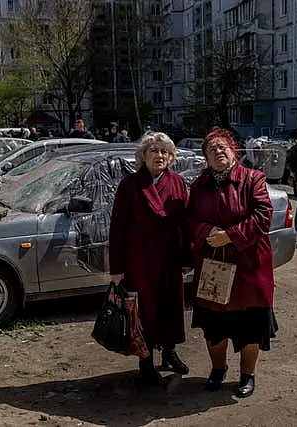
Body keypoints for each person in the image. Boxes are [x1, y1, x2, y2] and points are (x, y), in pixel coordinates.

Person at [187, 128, 277, 398]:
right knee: (214, 327)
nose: (218, 151)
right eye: (211, 149)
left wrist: (231, 236)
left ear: (233, 151)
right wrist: (208, 234)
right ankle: (218, 369)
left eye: (223, 146)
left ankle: (247, 375)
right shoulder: (199, 185)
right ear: (205, 157)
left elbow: (263, 215)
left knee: (250, 328)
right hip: (213, 268)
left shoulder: (253, 179)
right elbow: (190, 219)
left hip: (249, 269)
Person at [109, 131, 191, 385]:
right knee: (144, 309)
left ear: (171, 157)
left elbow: (186, 222)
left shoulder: (177, 182)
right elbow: (117, 227)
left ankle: (169, 353)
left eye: (165, 152)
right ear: (143, 156)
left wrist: (188, 257)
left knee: (170, 305)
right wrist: (117, 267)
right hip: (140, 257)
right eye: (154, 151)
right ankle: (145, 360)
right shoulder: (130, 184)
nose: (160, 156)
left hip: (170, 254)